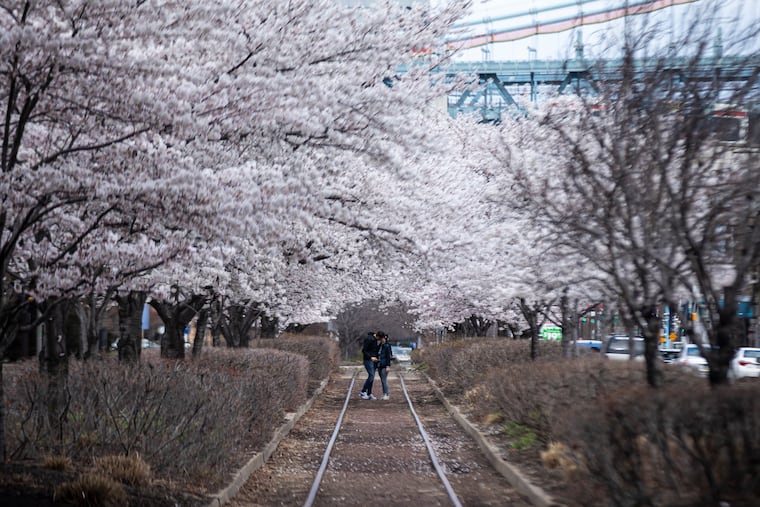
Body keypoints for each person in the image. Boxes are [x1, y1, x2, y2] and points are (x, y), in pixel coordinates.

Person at [359, 331, 380, 400]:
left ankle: (369, 393)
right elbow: (364, 350)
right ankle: (363, 391)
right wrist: (371, 357)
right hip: (368, 360)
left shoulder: (374, 340)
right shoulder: (370, 339)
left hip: (373, 360)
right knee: (371, 376)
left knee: (372, 377)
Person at [376, 332, 393, 400]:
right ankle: (384, 393)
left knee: (384, 380)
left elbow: (389, 356)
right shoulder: (380, 345)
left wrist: (388, 366)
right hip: (380, 364)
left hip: (384, 365)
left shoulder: (387, 346)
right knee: (382, 380)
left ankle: (386, 394)